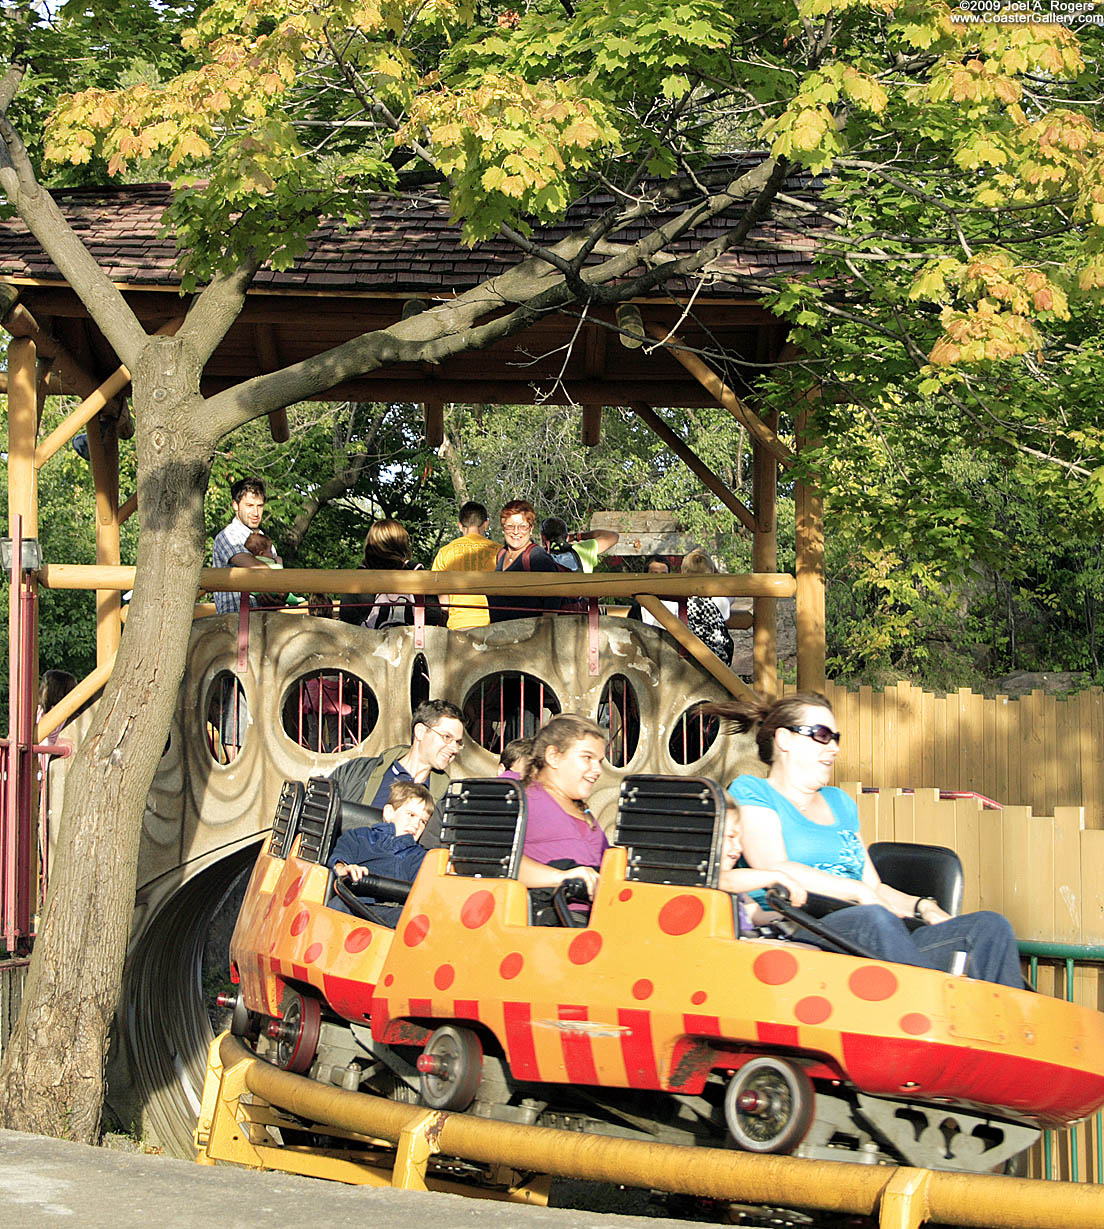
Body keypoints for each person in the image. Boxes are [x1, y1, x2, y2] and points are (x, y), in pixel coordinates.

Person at [707, 691, 1025, 988]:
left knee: (989, 928)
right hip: (801, 930)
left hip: (873, 933)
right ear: (784, 739)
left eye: (836, 738)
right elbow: (775, 865)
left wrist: (923, 906)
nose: (834, 747)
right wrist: (857, 892)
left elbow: (874, 887)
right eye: (822, 735)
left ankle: (1012, 1039)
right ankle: (930, 1017)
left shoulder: (840, 802)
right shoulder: (753, 791)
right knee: (872, 919)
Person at [516, 715, 609, 908]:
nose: (597, 769)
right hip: (555, 923)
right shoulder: (524, 801)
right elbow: (496, 861)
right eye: (587, 757)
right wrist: (562, 877)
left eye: (599, 761)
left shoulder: (584, 812)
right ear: (553, 757)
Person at [329, 698, 464, 812]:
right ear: (420, 731)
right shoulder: (356, 771)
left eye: (458, 742)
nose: (455, 749)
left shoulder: (447, 799)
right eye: (447, 737)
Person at [328, 781, 434, 924]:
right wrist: (345, 868)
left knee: (415, 920)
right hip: (352, 902)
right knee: (338, 906)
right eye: (411, 815)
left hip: (388, 913)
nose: (416, 825)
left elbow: (422, 891)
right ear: (389, 813)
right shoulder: (359, 837)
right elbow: (339, 858)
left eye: (423, 822)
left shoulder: (420, 857)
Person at [339, 518, 443, 629]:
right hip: (410, 643)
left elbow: (347, 616)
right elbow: (434, 614)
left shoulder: (359, 577)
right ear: (402, 544)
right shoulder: (417, 573)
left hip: (370, 643)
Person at [486, 501, 560, 622]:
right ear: (503, 528)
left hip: (530, 636)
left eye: (522, 526)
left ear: (531, 529)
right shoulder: (501, 554)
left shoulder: (537, 557)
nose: (516, 531)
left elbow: (554, 597)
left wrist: (545, 632)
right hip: (501, 635)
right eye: (510, 526)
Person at [431, 501, 501, 629]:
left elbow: (444, 603)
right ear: (485, 524)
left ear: (460, 525)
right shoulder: (499, 551)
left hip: (459, 623)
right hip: (493, 623)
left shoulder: (445, 552)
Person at [212, 477, 272, 615]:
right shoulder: (228, 535)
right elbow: (252, 565)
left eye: (260, 506)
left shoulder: (265, 540)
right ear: (235, 505)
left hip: (265, 619)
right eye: (249, 506)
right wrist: (278, 584)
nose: (256, 513)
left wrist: (279, 595)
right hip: (235, 621)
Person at [680, 549, 734, 665]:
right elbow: (731, 597)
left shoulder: (679, 599)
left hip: (687, 656)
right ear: (711, 571)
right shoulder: (718, 600)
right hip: (716, 661)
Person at [539, 517, 619, 573]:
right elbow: (613, 536)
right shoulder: (583, 551)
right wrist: (577, 536)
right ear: (566, 537)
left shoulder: (539, 559)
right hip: (580, 595)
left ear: (543, 537)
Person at [626, 555, 670, 621]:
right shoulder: (638, 609)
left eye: (663, 575)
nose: (659, 579)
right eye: (654, 575)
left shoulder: (679, 605)